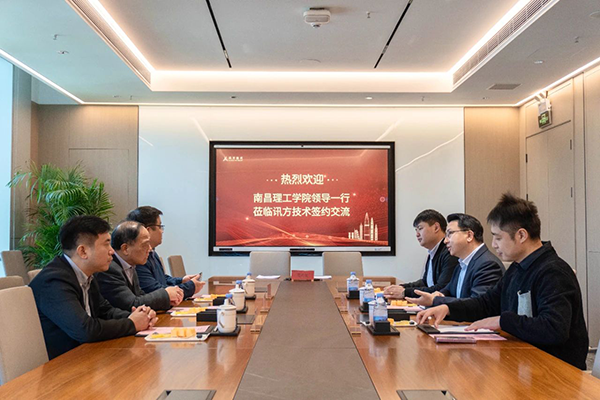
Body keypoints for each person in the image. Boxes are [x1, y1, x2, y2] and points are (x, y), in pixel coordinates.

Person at [416, 194, 589, 369]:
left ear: (521, 235)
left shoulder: (553, 272)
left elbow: (553, 328)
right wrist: (448, 308)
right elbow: (486, 303)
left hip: (555, 369)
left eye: (498, 238)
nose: (494, 244)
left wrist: (501, 321)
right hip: (524, 361)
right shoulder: (517, 268)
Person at [29, 215, 157, 359]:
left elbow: (105, 310)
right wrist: (132, 324)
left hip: (85, 355)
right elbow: (85, 330)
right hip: (61, 363)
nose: (112, 251)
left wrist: (139, 316)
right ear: (83, 251)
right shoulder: (54, 281)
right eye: (106, 244)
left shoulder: (87, 275)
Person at [406, 213, 504, 307]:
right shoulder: (462, 263)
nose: (445, 240)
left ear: (469, 236)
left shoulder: (488, 265)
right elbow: (449, 290)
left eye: (450, 234)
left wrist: (435, 300)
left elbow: (477, 305)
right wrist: (438, 295)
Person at [96, 221, 184, 311]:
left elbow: (140, 296)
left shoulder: (130, 265)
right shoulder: (109, 269)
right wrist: (166, 294)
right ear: (125, 249)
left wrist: (168, 300)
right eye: (145, 244)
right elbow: (131, 304)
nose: (150, 249)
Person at [126, 206, 204, 298]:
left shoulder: (152, 253)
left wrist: (181, 280)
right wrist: (190, 287)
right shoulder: (138, 258)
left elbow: (161, 279)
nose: (162, 231)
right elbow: (156, 291)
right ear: (148, 230)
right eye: (160, 226)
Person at [384, 209, 458, 299]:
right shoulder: (433, 252)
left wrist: (405, 292)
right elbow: (425, 282)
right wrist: (401, 287)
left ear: (436, 227)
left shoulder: (450, 253)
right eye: (416, 230)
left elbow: (441, 289)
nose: (417, 234)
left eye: (420, 228)